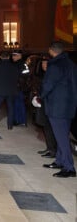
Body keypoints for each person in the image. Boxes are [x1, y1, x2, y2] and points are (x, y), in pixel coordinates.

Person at [41, 41, 77, 178]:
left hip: (57, 106)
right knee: (63, 134)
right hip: (69, 105)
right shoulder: (71, 64)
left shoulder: (54, 65)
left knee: (61, 137)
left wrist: (40, 96)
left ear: (51, 51)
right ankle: (60, 161)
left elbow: (48, 85)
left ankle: (69, 168)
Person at [0, 51, 20, 130]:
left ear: (1, 57)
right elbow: (17, 78)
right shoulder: (14, 66)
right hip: (11, 90)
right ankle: (10, 125)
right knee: (10, 108)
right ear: (9, 57)